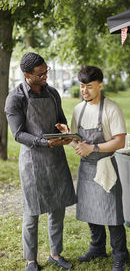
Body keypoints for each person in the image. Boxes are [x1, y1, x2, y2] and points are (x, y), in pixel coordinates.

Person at [4, 52, 76, 271]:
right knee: (32, 211)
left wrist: (63, 129)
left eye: (47, 71)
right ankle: (31, 260)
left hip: (55, 158)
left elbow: (60, 119)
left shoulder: (53, 93)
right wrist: (44, 143)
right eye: (40, 73)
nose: (45, 76)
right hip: (33, 162)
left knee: (58, 209)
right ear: (27, 75)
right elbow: (18, 134)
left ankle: (55, 254)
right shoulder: (15, 98)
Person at [58, 66, 129, 271]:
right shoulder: (78, 110)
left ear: (100, 85)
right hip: (86, 167)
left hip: (106, 165)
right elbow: (77, 142)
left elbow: (120, 142)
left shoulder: (111, 109)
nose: (84, 91)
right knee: (90, 209)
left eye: (89, 86)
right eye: (81, 86)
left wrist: (94, 147)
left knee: (112, 213)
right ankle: (97, 247)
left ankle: (120, 255)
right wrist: (68, 136)